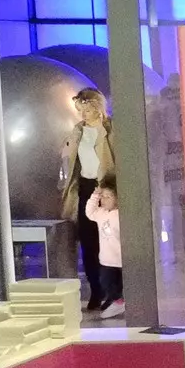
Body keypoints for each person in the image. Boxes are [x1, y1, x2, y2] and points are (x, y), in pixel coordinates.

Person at [60, 87, 115, 312]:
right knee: (88, 240)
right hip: (85, 187)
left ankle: (112, 290)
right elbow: (69, 158)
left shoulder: (109, 129)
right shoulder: (78, 130)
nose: (82, 114)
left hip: (106, 188)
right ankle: (95, 289)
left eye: (87, 109)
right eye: (79, 110)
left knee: (108, 241)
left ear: (97, 107)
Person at [85, 173, 123, 319]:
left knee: (120, 284)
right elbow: (89, 212)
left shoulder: (120, 215)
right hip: (107, 260)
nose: (104, 200)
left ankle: (119, 301)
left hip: (121, 259)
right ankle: (118, 301)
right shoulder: (101, 213)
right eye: (103, 196)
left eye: (109, 197)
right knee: (106, 282)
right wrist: (95, 195)